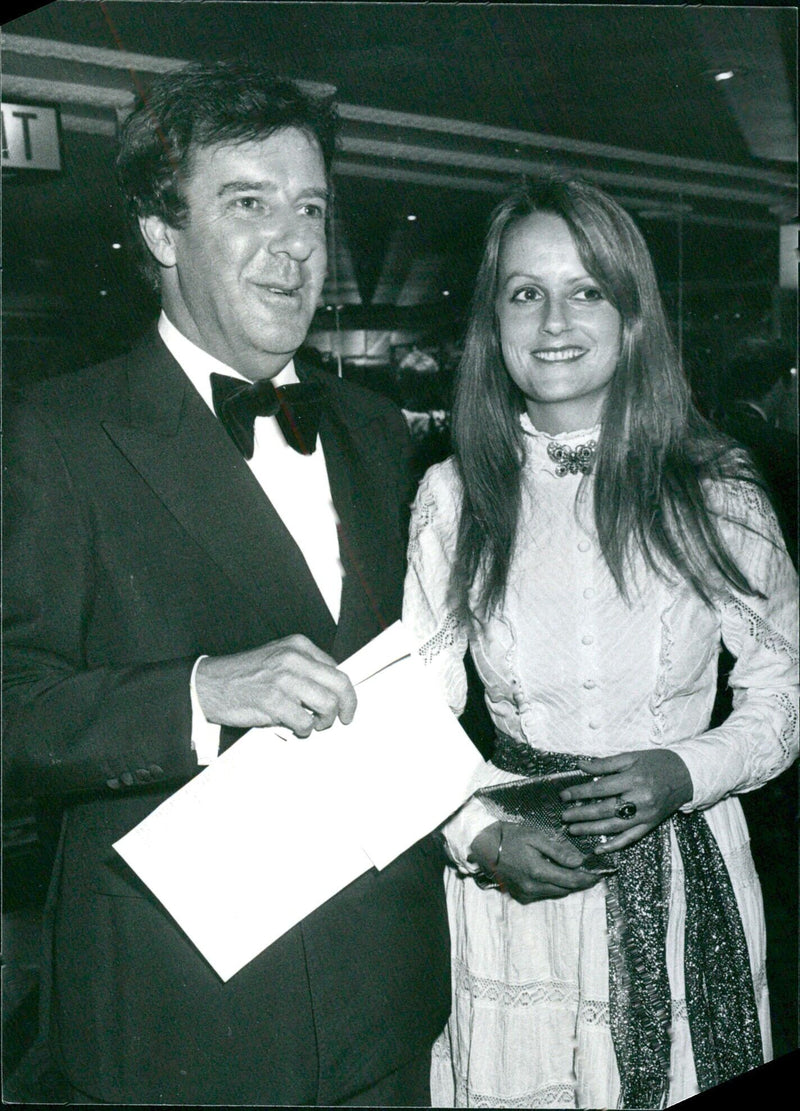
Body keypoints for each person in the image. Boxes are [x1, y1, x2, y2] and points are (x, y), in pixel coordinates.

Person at [3, 62, 450, 1106]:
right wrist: (197, 691)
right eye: (247, 204)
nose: (294, 244)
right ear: (162, 234)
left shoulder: (376, 432)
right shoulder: (55, 433)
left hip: (384, 993)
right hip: (179, 1017)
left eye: (309, 209)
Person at [402, 177, 799, 1108]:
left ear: (632, 315)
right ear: (492, 319)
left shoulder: (715, 488)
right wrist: (480, 835)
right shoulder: (453, 497)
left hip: (686, 873)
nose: (553, 320)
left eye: (587, 290)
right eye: (524, 291)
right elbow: (410, 723)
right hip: (517, 892)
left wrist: (686, 768)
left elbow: (788, 683)